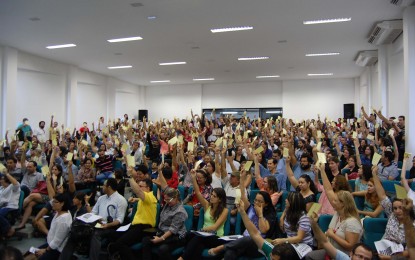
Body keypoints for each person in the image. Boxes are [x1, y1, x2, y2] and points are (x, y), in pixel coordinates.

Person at [207, 169, 276, 259]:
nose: (256, 203)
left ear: (266, 204)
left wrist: (260, 214)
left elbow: (263, 230)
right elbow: (242, 194)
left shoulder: (269, 215)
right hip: (243, 240)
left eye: (260, 201)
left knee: (249, 238)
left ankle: (221, 248)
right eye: (255, 200)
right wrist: (242, 178)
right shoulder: (251, 207)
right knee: (230, 252)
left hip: (258, 245)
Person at [305, 164, 363, 259]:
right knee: (309, 256)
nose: (332, 202)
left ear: (343, 204)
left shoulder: (352, 222)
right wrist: (314, 223)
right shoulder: (338, 214)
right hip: (331, 250)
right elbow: (328, 190)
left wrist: (332, 235)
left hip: (343, 255)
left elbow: (350, 246)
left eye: (335, 201)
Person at [178, 169, 228, 260]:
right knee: (196, 243)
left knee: (197, 238)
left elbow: (215, 227)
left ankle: (181, 258)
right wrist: (193, 178)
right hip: (203, 235)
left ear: (220, 199)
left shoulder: (225, 210)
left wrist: (201, 230)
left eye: (214, 196)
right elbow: (198, 193)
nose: (211, 197)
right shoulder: (207, 205)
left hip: (216, 237)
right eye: (211, 195)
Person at [107, 170, 157, 260]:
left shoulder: (150, 196)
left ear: (148, 188)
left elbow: (138, 192)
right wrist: (136, 199)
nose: (139, 188)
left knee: (119, 244)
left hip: (144, 228)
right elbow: (141, 197)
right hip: (134, 226)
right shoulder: (144, 199)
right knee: (111, 234)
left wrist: (130, 177)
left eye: (141, 186)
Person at [141, 169, 188, 260]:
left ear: (175, 198)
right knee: (145, 240)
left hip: (176, 236)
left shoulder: (180, 211)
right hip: (162, 232)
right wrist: (159, 171)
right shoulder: (169, 199)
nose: (166, 202)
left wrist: (161, 239)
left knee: (163, 249)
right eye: (165, 199)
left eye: (168, 200)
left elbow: (172, 230)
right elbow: (164, 186)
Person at [234, 199, 300, 260]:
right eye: (271, 257)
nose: (271, 259)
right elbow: (254, 234)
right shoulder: (270, 250)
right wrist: (242, 212)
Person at [309, 211, 376, 260]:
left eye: (367, 259)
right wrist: (313, 223)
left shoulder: (352, 223)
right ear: (351, 255)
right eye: (360, 256)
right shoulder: (345, 258)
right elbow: (324, 242)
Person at [27, 193, 72, 260]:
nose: (52, 203)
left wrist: (45, 250)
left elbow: (57, 242)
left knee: (34, 257)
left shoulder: (63, 220)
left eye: (55, 202)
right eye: (52, 201)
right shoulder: (59, 212)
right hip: (50, 244)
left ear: (62, 204)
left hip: (56, 250)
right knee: (29, 254)